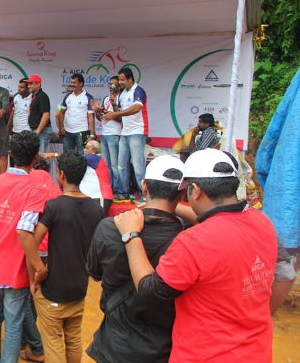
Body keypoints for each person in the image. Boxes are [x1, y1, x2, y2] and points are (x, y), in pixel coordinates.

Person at [114, 149, 278, 363]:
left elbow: (150, 291)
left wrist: (131, 235)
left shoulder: (194, 241)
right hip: (256, 351)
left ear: (196, 191)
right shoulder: (262, 222)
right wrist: (173, 208)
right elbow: (220, 220)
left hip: (205, 354)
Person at [86, 155, 186, 363]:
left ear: (144, 186)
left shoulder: (108, 228)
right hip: (163, 348)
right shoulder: (188, 239)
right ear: (183, 194)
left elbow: (95, 273)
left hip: (114, 345)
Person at [0, 130, 48, 363]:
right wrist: (39, 268)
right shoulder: (35, 189)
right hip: (14, 271)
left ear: (10, 154)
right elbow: (24, 230)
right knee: (13, 324)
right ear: (36, 157)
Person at [31, 151, 103, 363]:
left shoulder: (54, 206)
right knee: (73, 338)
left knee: (53, 342)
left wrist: (38, 273)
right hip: (79, 287)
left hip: (54, 289)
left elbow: (33, 242)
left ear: (61, 175)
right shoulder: (96, 208)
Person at [103, 68, 148, 203]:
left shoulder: (138, 90)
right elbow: (120, 113)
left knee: (138, 165)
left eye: (122, 80)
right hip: (125, 132)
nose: (120, 82)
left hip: (137, 131)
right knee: (121, 165)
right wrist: (114, 106)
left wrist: (115, 113)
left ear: (130, 79)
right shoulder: (122, 94)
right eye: (119, 80)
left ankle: (145, 195)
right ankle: (124, 193)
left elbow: (136, 108)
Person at [95, 76, 122, 196]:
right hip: (104, 134)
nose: (111, 87)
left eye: (114, 84)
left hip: (115, 134)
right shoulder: (106, 99)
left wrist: (109, 111)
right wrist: (97, 111)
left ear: (119, 86)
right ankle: (109, 189)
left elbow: (121, 119)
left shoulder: (121, 98)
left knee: (115, 165)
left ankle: (117, 189)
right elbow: (101, 118)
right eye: (110, 84)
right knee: (106, 165)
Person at [58, 73, 96, 152]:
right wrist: (61, 127)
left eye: (74, 82)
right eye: (71, 82)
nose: (72, 84)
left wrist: (92, 135)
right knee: (67, 156)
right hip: (67, 132)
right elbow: (61, 113)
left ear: (81, 84)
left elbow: (91, 117)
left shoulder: (88, 97)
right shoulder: (67, 96)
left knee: (82, 156)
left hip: (82, 132)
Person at [81, 140, 113, 213]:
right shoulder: (89, 160)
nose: (84, 150)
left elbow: (75, 158)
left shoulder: (96, 158)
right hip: (90, 197)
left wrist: (57, 155)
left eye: (87, 148)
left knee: (96, 219)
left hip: (99, 196)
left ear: (94, 151)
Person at [26, 75, 52, 153]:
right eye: (28, 84)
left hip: (41, 132)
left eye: (31, 84)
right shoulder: (34, 96)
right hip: (36, 130)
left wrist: (38, 131)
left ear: (38, 84)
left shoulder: (42, 96)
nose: (28, 86)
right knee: (35, 155)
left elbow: (46, 116)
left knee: (41, 156)